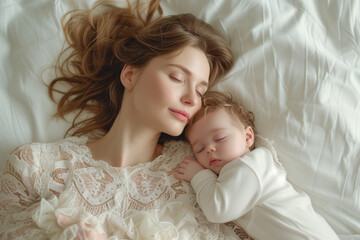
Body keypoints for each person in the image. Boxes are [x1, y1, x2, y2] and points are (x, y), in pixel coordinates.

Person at [0, 0, 242, 239]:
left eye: (201, 91)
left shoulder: (204, 172)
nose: (192, 99)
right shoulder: (34, 166)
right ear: (130, 74)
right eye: (177, 77)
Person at [174, 91, 340, 240]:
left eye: (220, 138)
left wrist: (199, 175)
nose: (209, 149)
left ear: (247, 137)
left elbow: (217, 210)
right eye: (199, 149)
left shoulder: (249, 166)